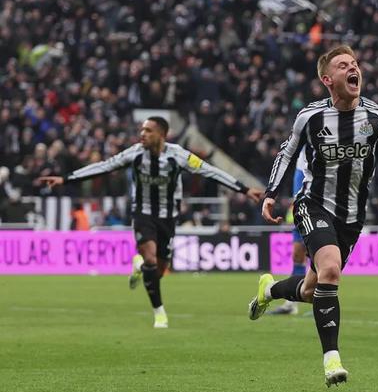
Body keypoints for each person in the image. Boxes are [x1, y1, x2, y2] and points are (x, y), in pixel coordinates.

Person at [247, 45, 378, 386]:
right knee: (330, 271)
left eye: (355, 63)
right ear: (328, 79)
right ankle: (332, 360)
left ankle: (269, 290)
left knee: (312, 290)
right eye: (343, 65)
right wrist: (271, 194)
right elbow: (286, 154)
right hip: (313, 204)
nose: (353, 68)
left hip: (352, 217)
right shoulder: (310, 117)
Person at [39, 116, 263, 328]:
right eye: (142, 130)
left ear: (162, 135)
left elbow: (210, 171)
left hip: (168, 216)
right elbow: (104, 166)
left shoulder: (178, 155)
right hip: (143, 213)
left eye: (148, 130)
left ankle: (139, 266)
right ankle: (159, 312)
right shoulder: (135, 153)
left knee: (159, 269)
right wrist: (66, 179)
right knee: (150, 258)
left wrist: (244, 189)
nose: (142, 134)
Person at [268, 151, 308, 315]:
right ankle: (291, 304)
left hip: (325, 173)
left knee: (321, 253)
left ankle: (323, 303)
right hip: (302, 170)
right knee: (298, 252)